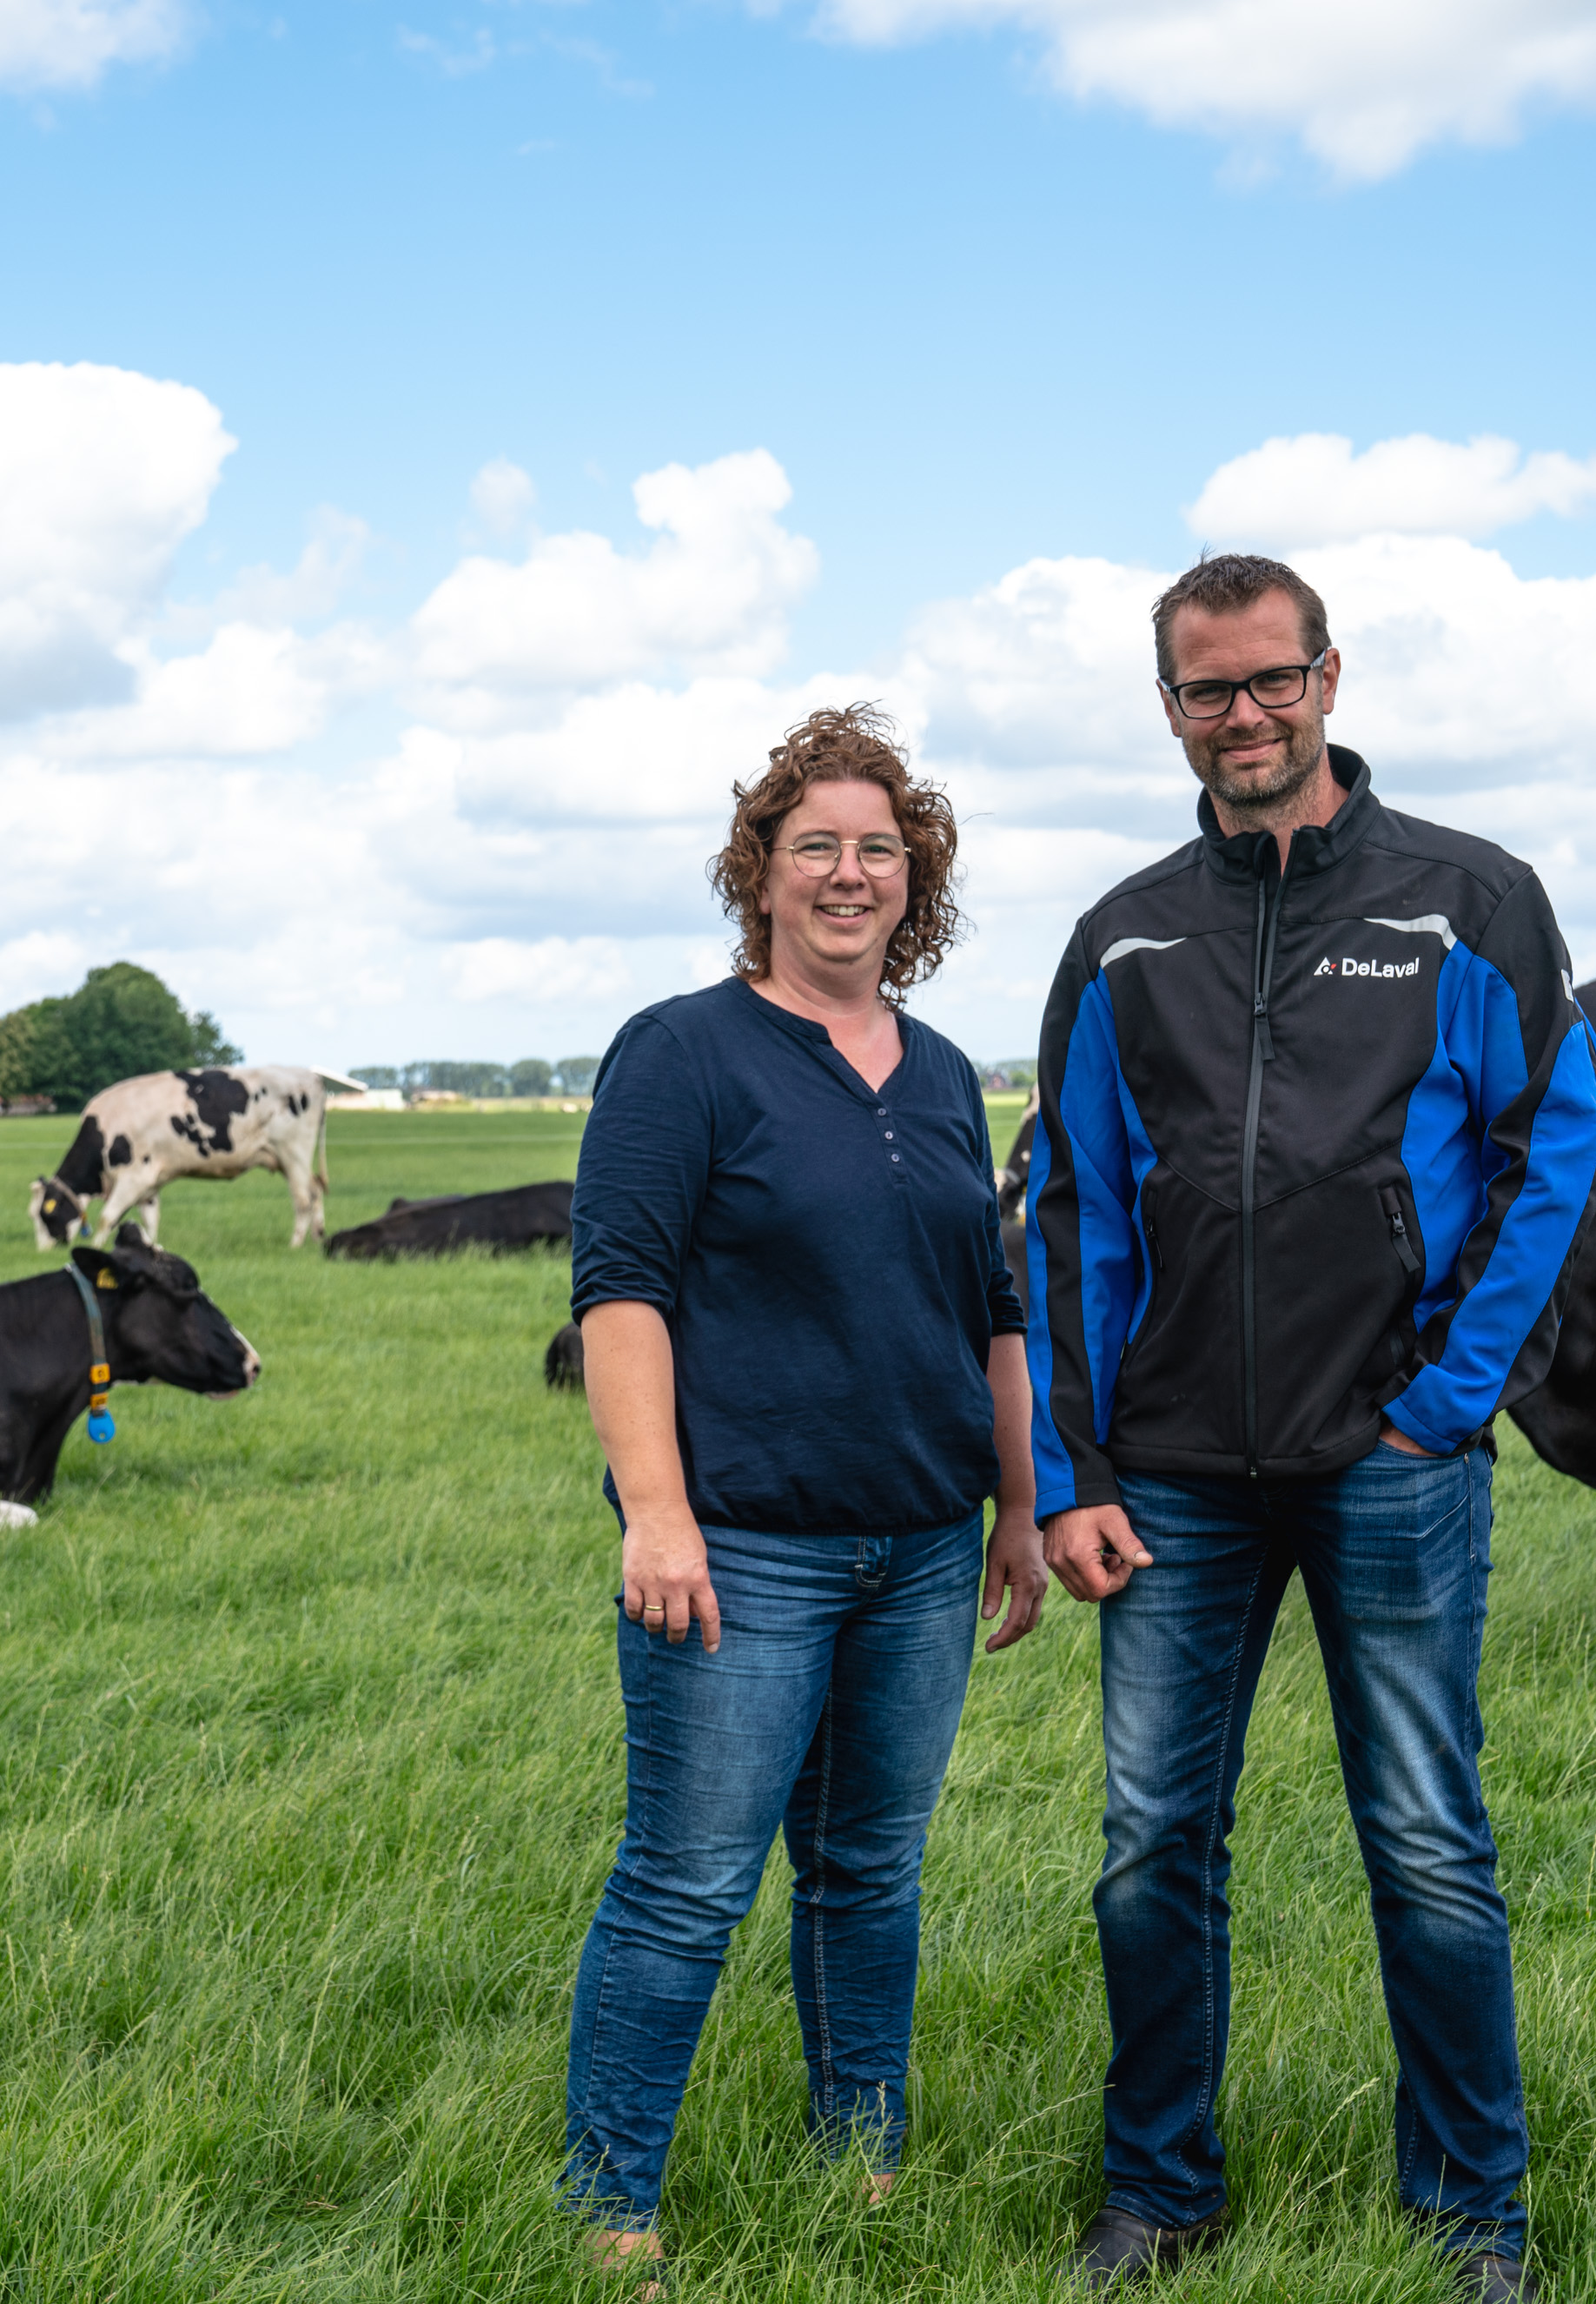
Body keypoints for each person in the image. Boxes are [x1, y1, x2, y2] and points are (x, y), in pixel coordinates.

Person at [1025, 556, 1596, 2300]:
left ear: (1328, 677)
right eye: (1206, 690)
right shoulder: (1122, 937)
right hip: (1174, 1474)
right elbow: (1067, 1211)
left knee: (1425, 1841)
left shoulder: (1466, 900)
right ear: (1168, 708)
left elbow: (1552, 1144)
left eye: (1270, 679)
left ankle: (1469, 2215)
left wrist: (1443, 1405)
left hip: (1389, 1463)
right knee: (1147, 1849)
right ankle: (1156, 2193)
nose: (1243, 714)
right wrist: (1073, 1470)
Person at [563, 703, 1050, 2282]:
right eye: (817, 847)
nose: (851, 874)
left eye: (881, 851)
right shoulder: (683, 1053)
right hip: (747, 1550)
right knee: (688, 1880)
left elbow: (992, 1308)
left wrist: (1019, 1510)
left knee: (868, 1873)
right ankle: (610, 2204)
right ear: (760, 872)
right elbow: (620, 1291)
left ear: (921, 883)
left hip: (919, 1549)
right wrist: (657, 1509)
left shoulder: (940, 1074)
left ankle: (863, 2168)